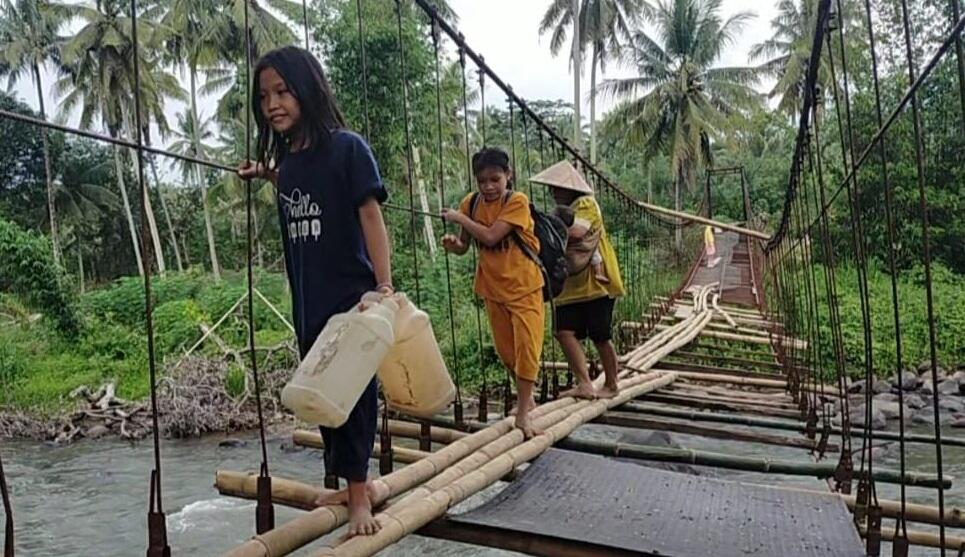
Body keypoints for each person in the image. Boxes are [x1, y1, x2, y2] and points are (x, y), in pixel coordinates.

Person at [237, 46, 390, 537]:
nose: (273, 104)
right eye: (264, 97)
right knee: (323, 393)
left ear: (308, 88)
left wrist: (382, 287)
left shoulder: (347, 148)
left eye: (282, 91)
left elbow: (370, 215)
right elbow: (302, 185)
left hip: (351, 296)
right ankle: (349, 486)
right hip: (308, 301)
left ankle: (360, 496)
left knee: (355, 396)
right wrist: (267, 175)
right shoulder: (291, 164)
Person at [440, 148, 545, 439]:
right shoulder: (470, 204)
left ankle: (523, 412)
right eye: (482, 180)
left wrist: (460, 220)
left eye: (495, 179)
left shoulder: (518, 202)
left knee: (527, 349)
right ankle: (528, 399)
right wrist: (454, 245)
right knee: (506, 352)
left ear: (508, 176)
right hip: (493, 288)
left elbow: (490, 235)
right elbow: (466, 245)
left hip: (525, 287)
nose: (488, 187)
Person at [532, 160, 625, 400]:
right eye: (551, 188)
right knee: (563, 331)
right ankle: (585, 383)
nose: (553, 192)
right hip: (568, 285)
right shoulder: (561, 212)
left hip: (596, 283)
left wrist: (543, 225)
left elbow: (577, 232)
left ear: (570, 188)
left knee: (600, 335)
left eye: (557, 187)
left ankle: (612, 384)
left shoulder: (586, 204)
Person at [554, 205, 609, 283]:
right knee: (595, 253)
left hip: (572, 254)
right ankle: (598, 272)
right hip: (585, 248)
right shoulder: (573, 227)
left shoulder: (562, 231)